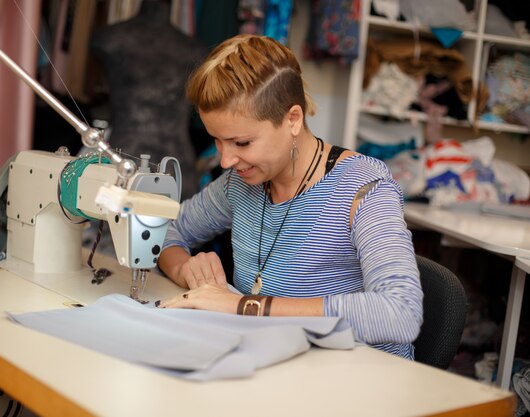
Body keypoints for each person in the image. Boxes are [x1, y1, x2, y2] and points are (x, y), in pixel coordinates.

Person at [156, 34, 423, 359]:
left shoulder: (364, 188)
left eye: (241, 143)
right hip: (279, 367)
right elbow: (166, 230)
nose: (225, 161)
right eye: (217, 140)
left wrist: (245, 306)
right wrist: (185, 269)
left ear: (292, 119)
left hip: (359, 383)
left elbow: (401, 312)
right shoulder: (240, 184)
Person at [90, 0, 207, 200]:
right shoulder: (109, 39)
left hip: (167, 162)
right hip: (134, 159)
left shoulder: (110, 38)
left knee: (178, 227)